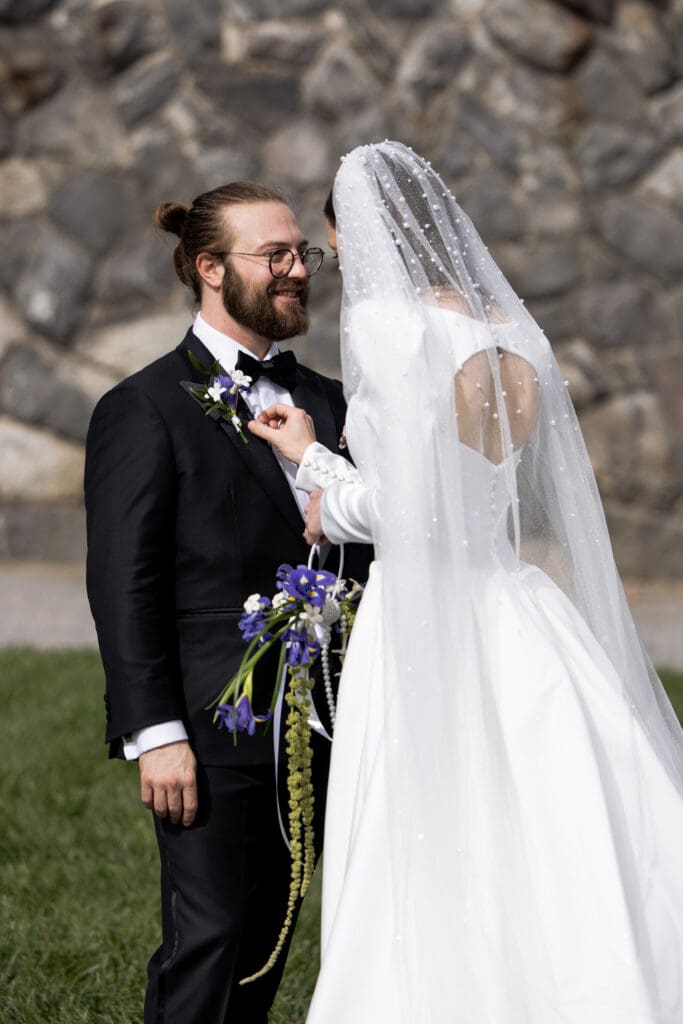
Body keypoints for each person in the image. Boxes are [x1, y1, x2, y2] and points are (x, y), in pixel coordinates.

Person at [249, 142, 683, 1023]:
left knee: (429, 823)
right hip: (513, 606)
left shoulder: (391, 329)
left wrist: (313, 473)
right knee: (552, 817)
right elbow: (473, 486)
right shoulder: (507, 328)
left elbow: (408, 508)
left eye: (332, 247)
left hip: (425, 613)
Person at [84, 180, 370, 1024]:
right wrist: (157, 735)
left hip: (318, 723)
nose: (296, 271)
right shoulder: (143, 409)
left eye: (301, 254)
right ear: (209, 267)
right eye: (273, 255)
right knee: (208, 941)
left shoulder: (327, 399)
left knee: (264, 946)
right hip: (213, 726)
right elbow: (122, 582)